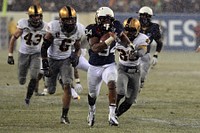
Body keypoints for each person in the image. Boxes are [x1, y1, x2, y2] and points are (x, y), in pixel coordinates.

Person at [85, 6, 133, 127]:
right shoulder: (91, 29)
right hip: (94, 66)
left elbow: (121, 35)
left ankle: (111, 115)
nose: (106, 22)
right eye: (103, 19)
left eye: (108, 19)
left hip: (109, 64)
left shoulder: (116, 25)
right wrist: (110, 39)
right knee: (92, 95)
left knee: (112, 84)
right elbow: (95, 48)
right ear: (97, 19)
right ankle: (91, 111)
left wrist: (130, 45)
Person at [41, 5, 83, 124]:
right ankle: (55, 79)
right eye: (67, 20)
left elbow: (78, 48)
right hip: (52, 59)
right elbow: (44, 47)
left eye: (72, 19)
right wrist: (45, 63)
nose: (70, 22)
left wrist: (76, 55)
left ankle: (64, 116)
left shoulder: (79, 29)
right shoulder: (54, 27)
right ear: (61, 20)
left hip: (66, 60)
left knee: (67, 85)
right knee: (51, 90)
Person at [7, 5, 47, 105]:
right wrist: (10, 55)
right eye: (34, 16)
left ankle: (28, 98)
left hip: (36, 53)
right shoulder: (23, 23)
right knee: (21, 80)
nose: (36, 18)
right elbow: (13, 38)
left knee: (34, 76)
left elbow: (49, 41)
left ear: (41, 16)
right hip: (23, 53)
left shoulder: (45, 26)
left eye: (38, 15)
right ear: (29, 16)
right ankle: (24, 83)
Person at [115, 18, 148, 118]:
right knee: (121, 92)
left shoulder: (142, 38)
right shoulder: (118, 38)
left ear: (138, 30)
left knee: (130, 100)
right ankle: (112, 110)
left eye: (132, 30)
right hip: (122, 69)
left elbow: (143, 50)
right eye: (127, 30)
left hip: (135, 72)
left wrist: (137, 54)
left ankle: (116, 115)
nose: (129, 32)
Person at [137, 6, 163, 88]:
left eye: (146, 16)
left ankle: (139, 87)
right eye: (142, 15)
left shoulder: (154, 27)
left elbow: (159, 42)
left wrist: (156, 55)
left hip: (145, 54)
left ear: (150, 17)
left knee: (142, 76)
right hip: (132, 53)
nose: (144, 18)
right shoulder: (134, 25)